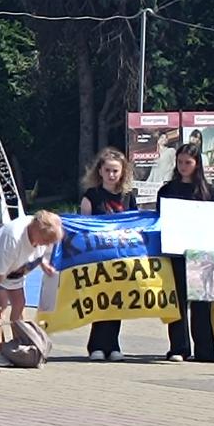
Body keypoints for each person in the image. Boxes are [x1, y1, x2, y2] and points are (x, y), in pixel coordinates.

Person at [159, 142, 214, 363]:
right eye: (180, 162)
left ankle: (205, 350)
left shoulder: (209, 191)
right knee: (178, 302)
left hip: (203, 254)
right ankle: (179, 348)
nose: (183, 166)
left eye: (188, 162)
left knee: (202, 303)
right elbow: (161, 222)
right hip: (175, 253)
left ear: (197, 164)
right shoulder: (167, 190)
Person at [79, 147, 138, 361]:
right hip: (98, 257)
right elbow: (82, 226)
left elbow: (135, 224)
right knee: (100, 301)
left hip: (121, 258)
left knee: (117, 302)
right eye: (107, 170)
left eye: (115, 171)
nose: (111, 175)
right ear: (100, 172)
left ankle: (113, 345)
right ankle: (96, 346)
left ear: (122, 172)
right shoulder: (92, 196)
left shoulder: (128, 197)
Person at [0, 210, 63, 334]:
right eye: (46, 241)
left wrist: (43, 264)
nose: (48, 245)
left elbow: (36, 252)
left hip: (17, 269)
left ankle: (19, 342)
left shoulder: (42, 230)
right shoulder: (13, 238)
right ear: (36, 231)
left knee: (19, 304)